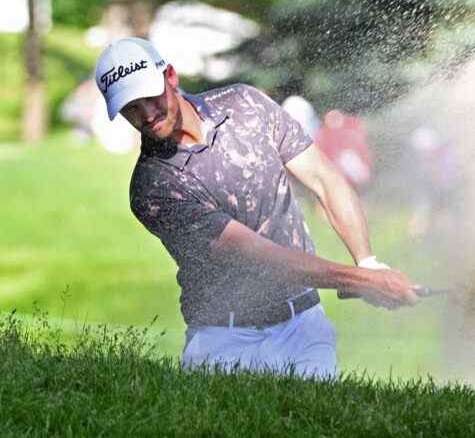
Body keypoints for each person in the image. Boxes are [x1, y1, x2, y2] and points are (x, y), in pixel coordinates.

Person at [93, 37, 419, 378]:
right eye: (131, 107)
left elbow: (324, 179)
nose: (146, 114)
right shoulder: (153, 187)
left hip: (303, 327)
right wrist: (362, 280)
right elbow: (258, 255)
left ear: (170, 76)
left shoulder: (245, 105)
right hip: (224, 342)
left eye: (150, 96)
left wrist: (367, 261)